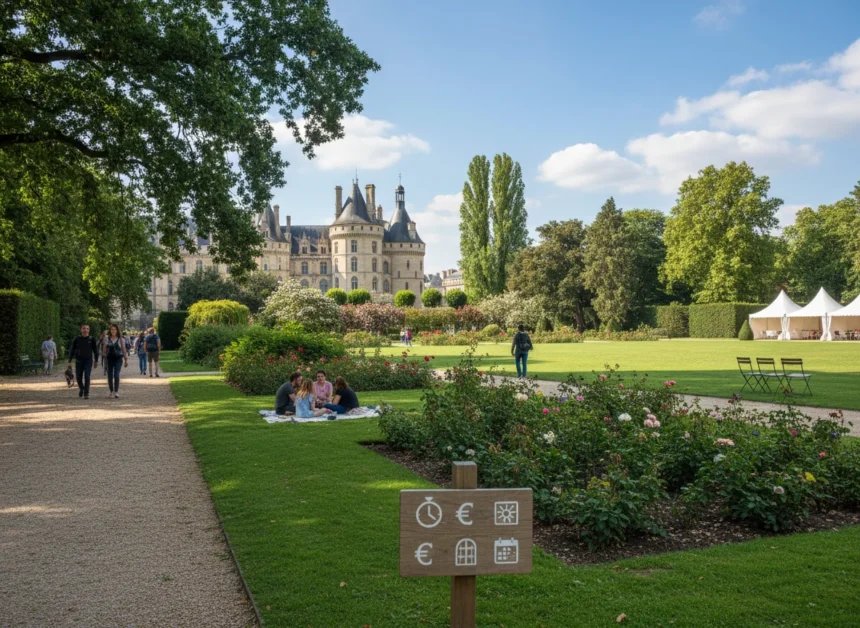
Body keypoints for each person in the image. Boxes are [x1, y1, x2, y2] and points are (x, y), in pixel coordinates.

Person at [67, 323, 99, 399]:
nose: (85, 330)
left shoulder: (92, 339)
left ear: (89, 330)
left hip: (88, 360)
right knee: (78, 377)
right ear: (81, 330)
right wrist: (69, 360)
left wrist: (96, 361)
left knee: (87, 376)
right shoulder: (77, 339)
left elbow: (95, 350)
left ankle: (86, 393)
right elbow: (72, 350)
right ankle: (81, 388)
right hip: (79, 360)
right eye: (84, 328)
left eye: (87, 328)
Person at [102, 324, 129, 398]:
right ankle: (111, 390)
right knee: (110, 375)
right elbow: (104, 349)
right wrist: (104, 355)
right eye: (112, 329)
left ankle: (116, 391)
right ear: (110, 331)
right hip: (109, 358)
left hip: (118, 358)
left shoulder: (121, 339)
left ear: (117, 330)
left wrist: (126, 360)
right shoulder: (107, 339)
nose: (113, 331)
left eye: (115, 329)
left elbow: (124, 349)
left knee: (116, 374)